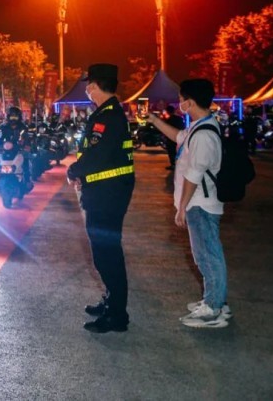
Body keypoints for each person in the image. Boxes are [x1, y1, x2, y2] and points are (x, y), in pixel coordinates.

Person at [147, 79, 232, 328]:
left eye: (182, 100)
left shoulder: (204, 134)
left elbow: (194, 175)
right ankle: (215, 300)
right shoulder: (199, 127)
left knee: (208, 256)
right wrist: (155, 121)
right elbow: (178, 137)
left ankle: (213, 309)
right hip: (198, 203)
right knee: (204, 254)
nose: (179, 103)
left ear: (190, 102)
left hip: (200, 204)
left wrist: (182, 207)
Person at [66, 64, 135, 333]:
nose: (86, 89)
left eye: (88, 84)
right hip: (107, 191)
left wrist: (74, 171)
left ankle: (116, 315)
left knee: (107, 254)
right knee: (105, 253)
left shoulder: (107, 117)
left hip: (107, 194)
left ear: (94, 86)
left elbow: (97, 156)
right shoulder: (109, 113)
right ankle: (111, 301)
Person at [163, 105, 185, 170]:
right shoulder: (179, 119)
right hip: (179, 138)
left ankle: (173, 164)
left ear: (168, 112)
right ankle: (178, 164)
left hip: (171, 138)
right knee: (177, 151)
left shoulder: (169, 119)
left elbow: (166, 129)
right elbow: (183, 127)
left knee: (171, 152)